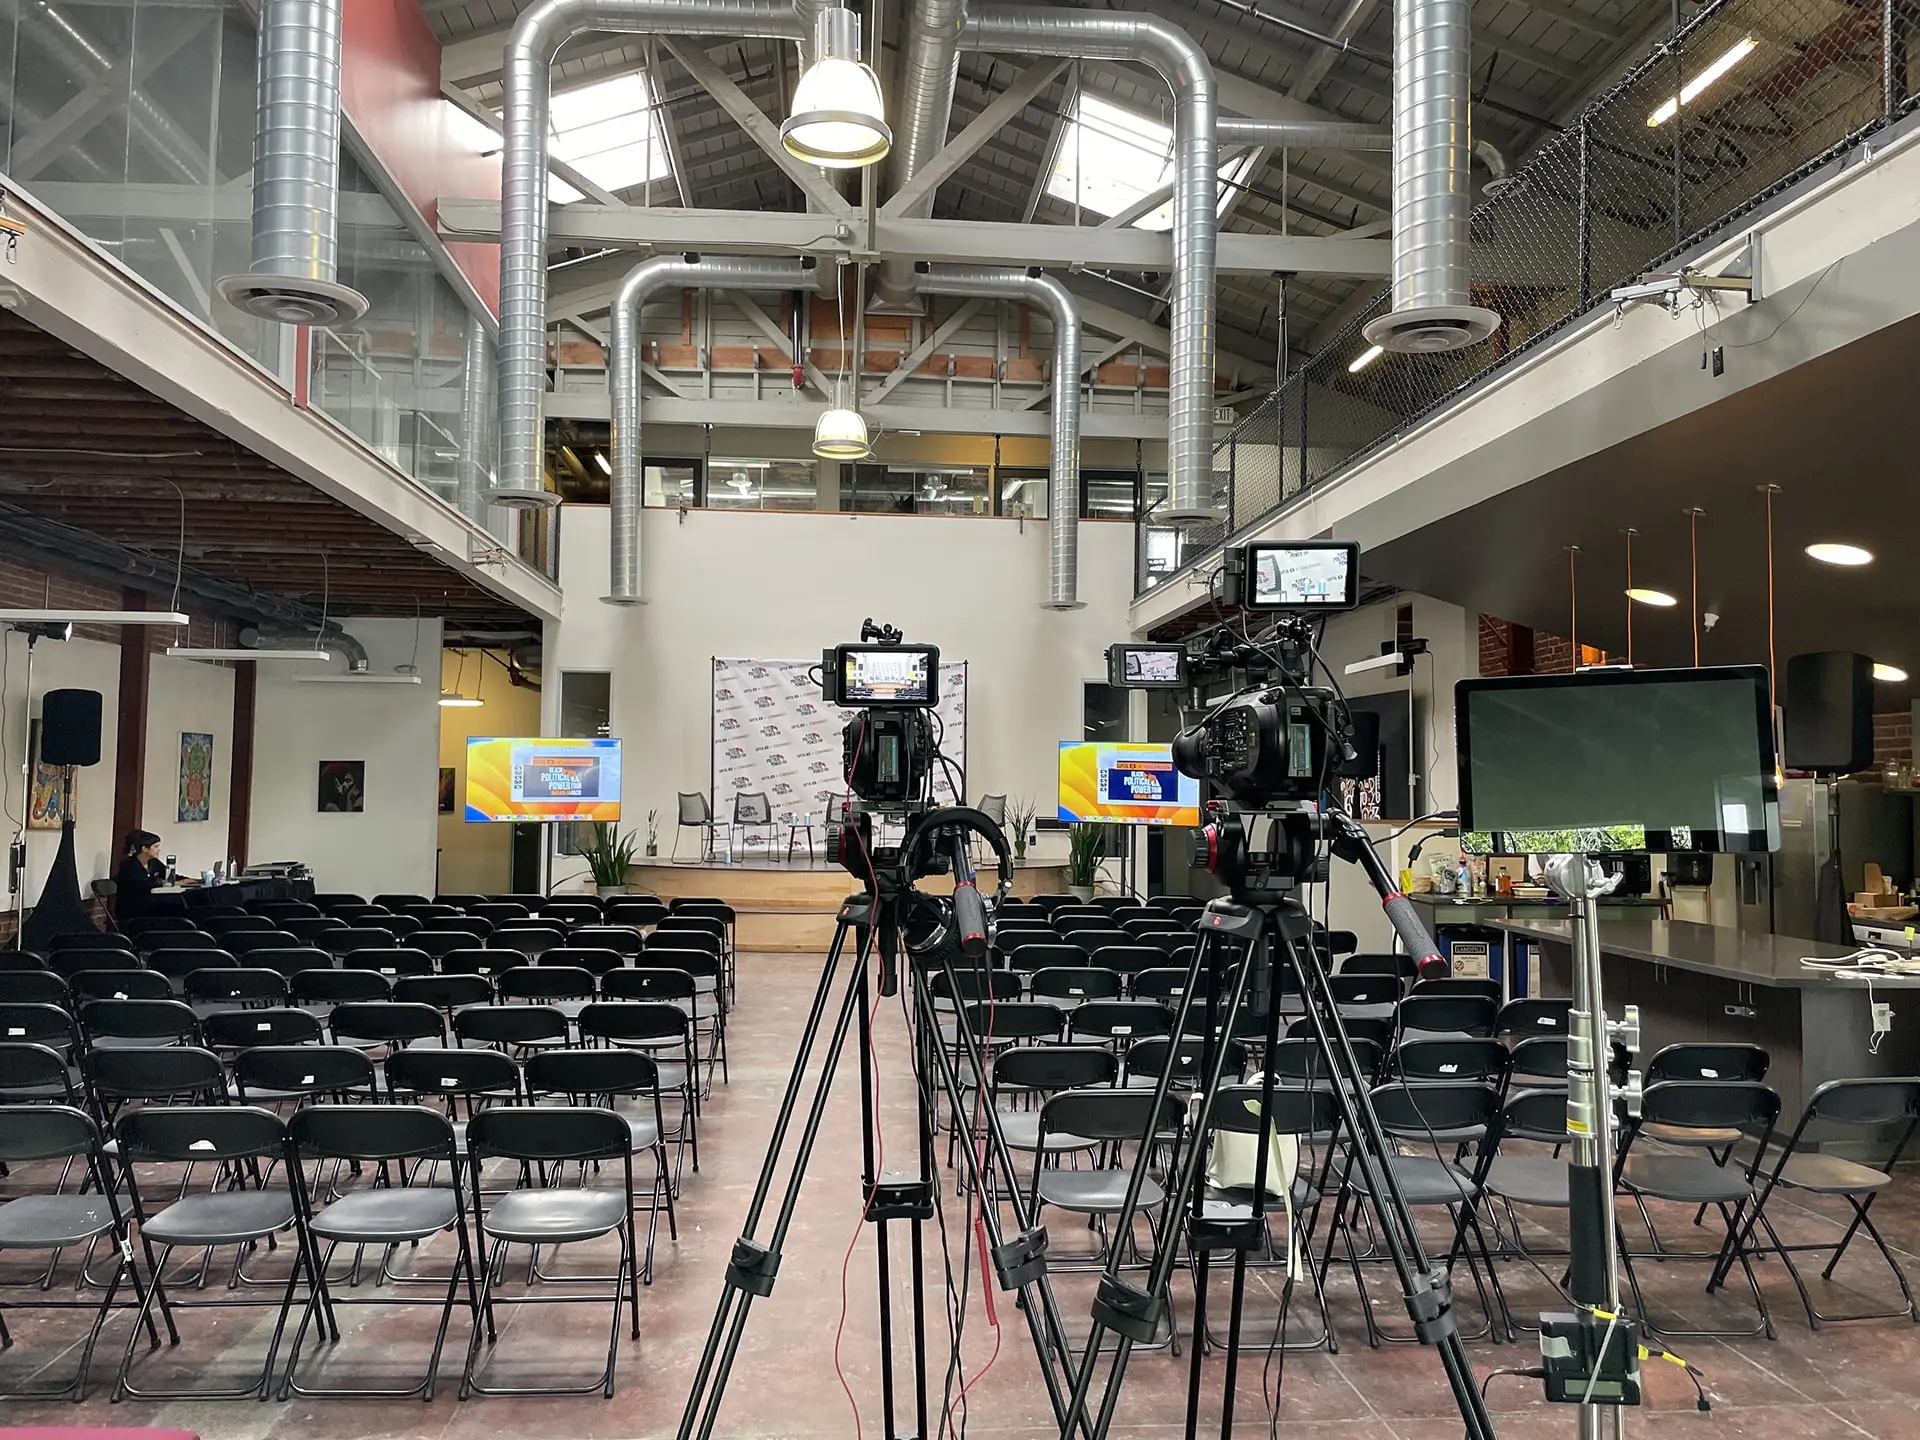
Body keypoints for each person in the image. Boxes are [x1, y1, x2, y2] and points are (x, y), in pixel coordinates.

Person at [114, 829, 168, 925]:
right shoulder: (128, 865)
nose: (159, 849)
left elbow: (167, 875)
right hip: (133, 909)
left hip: (149, 904)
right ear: (145, 848)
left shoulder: (153, 862)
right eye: (156, 847)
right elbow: (142, 885)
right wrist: (164, 884)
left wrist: (191, 880)